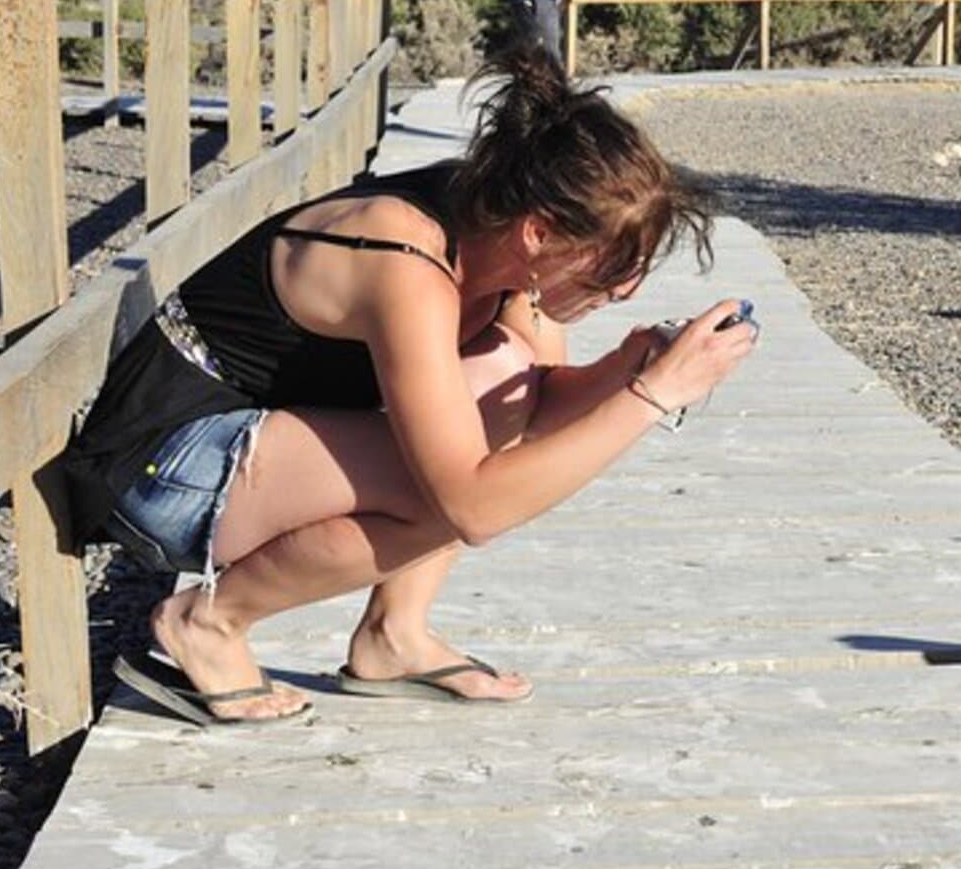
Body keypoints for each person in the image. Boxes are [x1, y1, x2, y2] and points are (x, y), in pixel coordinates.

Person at [60, 47, 753, 724]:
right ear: (540, 231)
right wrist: (652, 397)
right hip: (160, 467)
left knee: (505, 379)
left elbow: (536, 407)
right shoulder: (403, 260)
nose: (625, 290)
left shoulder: (499, 232)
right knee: (448, 491)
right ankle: (207, 622)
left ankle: (393, 636)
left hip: (252, 441)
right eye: (612, 268)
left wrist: (630, 366)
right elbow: (475, 507)